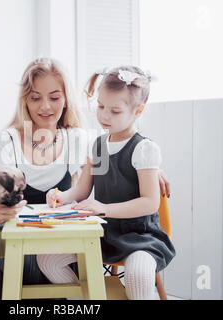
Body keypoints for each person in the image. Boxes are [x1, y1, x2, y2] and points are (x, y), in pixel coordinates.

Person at [0, 59, 172, 299]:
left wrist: (153, 170)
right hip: (18, 247)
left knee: (63, 260)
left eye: (54, 97)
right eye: (35, 97)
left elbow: (128, 155)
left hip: (80, 240)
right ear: (24, 101)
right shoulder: (3, 143)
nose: (45, 107)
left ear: (66, 100)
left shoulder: (80, 139)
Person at [39, 66, 176, 300]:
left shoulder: (144, 149)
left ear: (138, 111)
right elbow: (83, 189)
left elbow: (150, 202)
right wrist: (62, 196)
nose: (104, 116)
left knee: (138, 275)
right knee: (48, 260)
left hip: (140, 237)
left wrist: (104, 208)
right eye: (100, 106)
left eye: (114, 110)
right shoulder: (99, 145)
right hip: (102, 233)